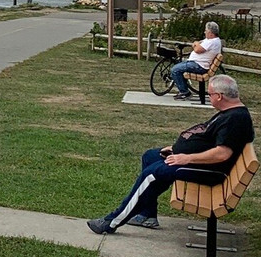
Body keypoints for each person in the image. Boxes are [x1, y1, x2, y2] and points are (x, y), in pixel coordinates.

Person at [87, 74, 253, 234]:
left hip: (209, 171)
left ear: (219, 96)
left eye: (209, 94)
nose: (208, 97)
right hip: (197, 162)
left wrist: (186, 157)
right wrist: (177, 148)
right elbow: (206, 139)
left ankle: (111, 222)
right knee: (150, 156)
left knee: (152, 174)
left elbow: (222, 154)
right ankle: (147, 215)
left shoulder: (236, 119)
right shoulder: (229, 112)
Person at [170, 22, 222, 100]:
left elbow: (197, 49)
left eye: (206, 31)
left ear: (211, 33)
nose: (204, 32)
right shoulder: (210, 40)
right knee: (178, 67)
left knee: (175, 70)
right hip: (197, 63)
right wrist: (197, 43)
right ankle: (183, 90)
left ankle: (185, 92)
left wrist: (196, 44)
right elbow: (197, 43)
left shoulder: (212, 42)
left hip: (199, 66)